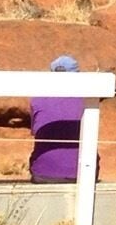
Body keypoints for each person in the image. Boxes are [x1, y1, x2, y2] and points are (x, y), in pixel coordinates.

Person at [28, 54, 84, 183]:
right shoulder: (88, 100)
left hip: (43, 174)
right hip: (83, 174)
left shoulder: (37, 99)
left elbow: (35, 131)